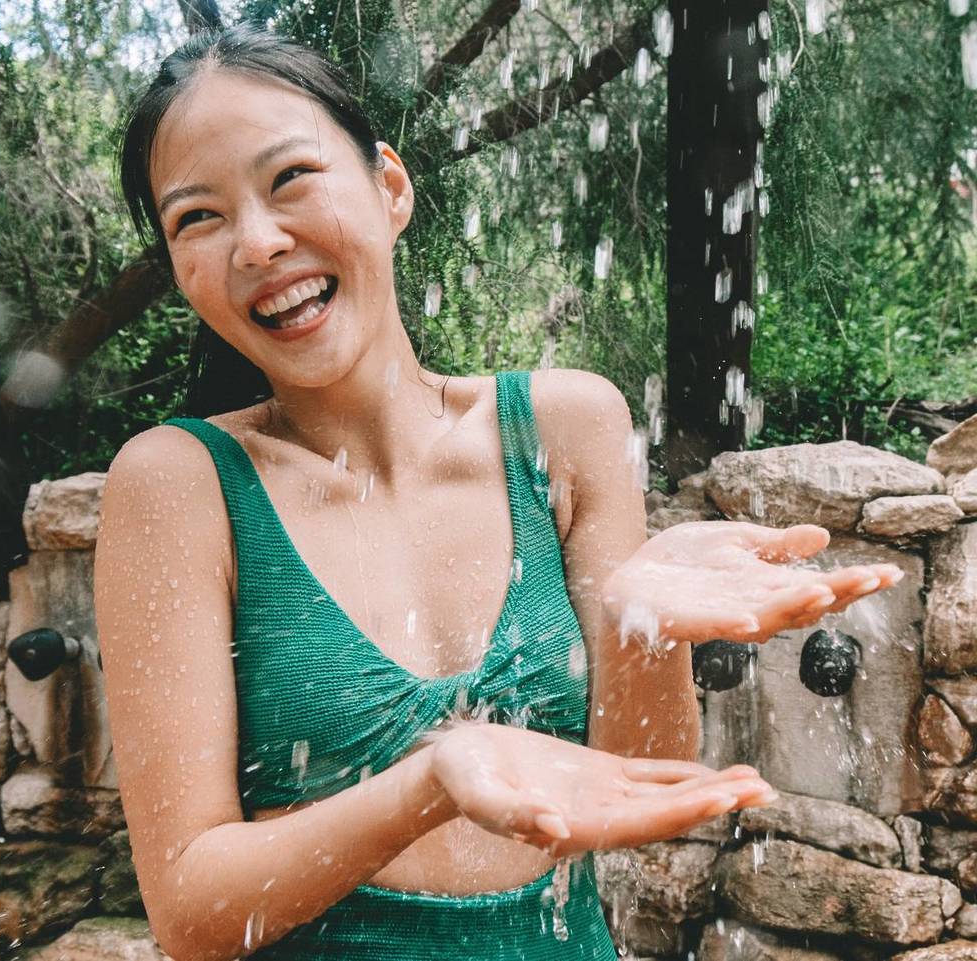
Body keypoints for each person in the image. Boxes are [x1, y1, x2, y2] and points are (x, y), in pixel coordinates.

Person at [93, 23, 904, 961]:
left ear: (389, 186)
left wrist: (645, 624)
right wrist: (437, 779)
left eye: (291, 179)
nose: (259, 242)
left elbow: (638, 780)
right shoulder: (178, 485)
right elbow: (190, 914)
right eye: (198, 218)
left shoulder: (566, 429)